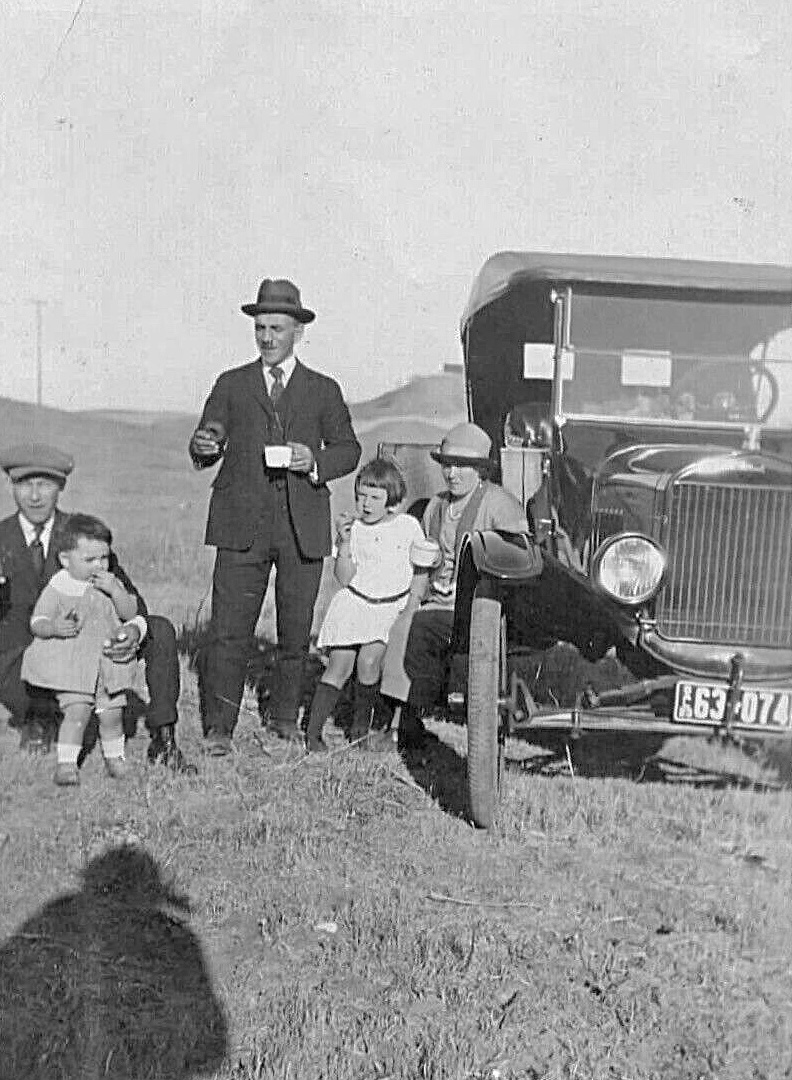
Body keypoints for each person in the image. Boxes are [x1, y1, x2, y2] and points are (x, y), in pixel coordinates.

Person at [189, 278, 361, 755]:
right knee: (228, 630)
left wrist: (315, 461)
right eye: (260, 328)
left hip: (301, 527)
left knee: (295, 631)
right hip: (239, 524)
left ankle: (284, 718)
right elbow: (206, 439)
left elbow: (349, 450)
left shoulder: (323, 390)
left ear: (298, 332)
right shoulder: (231, 384)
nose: (266, 338)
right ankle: (219, 728)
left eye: (277, 329)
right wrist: (204, 446)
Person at [0, 443, 194, 772]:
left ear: (60, 487)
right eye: (24, 485)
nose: (34, 496)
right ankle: (40, 718)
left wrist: (133, 630)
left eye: (44, 485)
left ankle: (164, 737)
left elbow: (133, 602)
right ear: (11, 487)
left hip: (91, 651)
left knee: (158, 628)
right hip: (26, 663)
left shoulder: (85, 536)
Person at [379, 422, 531, 750]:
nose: (452, 474)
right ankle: (397, 715)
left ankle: (412, 712)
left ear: (481, 470)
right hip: (436, 596)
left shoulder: (500, 505)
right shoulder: (436, 506)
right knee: (400, 622)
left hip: (482, 605)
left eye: (462, 466)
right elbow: (423, 554)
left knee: (421, 627)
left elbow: (518, 562)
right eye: (447, 465)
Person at [305, 457, 425, 752]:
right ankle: (312, 733)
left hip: (388, 608)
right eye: (361, 496)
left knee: (369, 663)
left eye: (374, 498)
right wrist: (345, 542)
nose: (366, 504)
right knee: (339, 665)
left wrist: (412, 605)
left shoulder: (408, 526)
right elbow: (344, 578)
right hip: (355, 603)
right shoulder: (354, 529)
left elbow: (421, 568)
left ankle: (359, 733)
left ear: (391, 501)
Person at [22, 514, 139, 786]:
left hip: (108, 664)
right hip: (73, 666)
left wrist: (116, 591)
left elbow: (130, 613)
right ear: (65, 560)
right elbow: (37, 621)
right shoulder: (60, 585)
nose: (99, 566)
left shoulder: (111, 584)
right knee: (77, 713)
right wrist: (53, 627)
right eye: (90, 560)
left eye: (104, 558)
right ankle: (67, 764)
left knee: (112, 715)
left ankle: (115, 758)